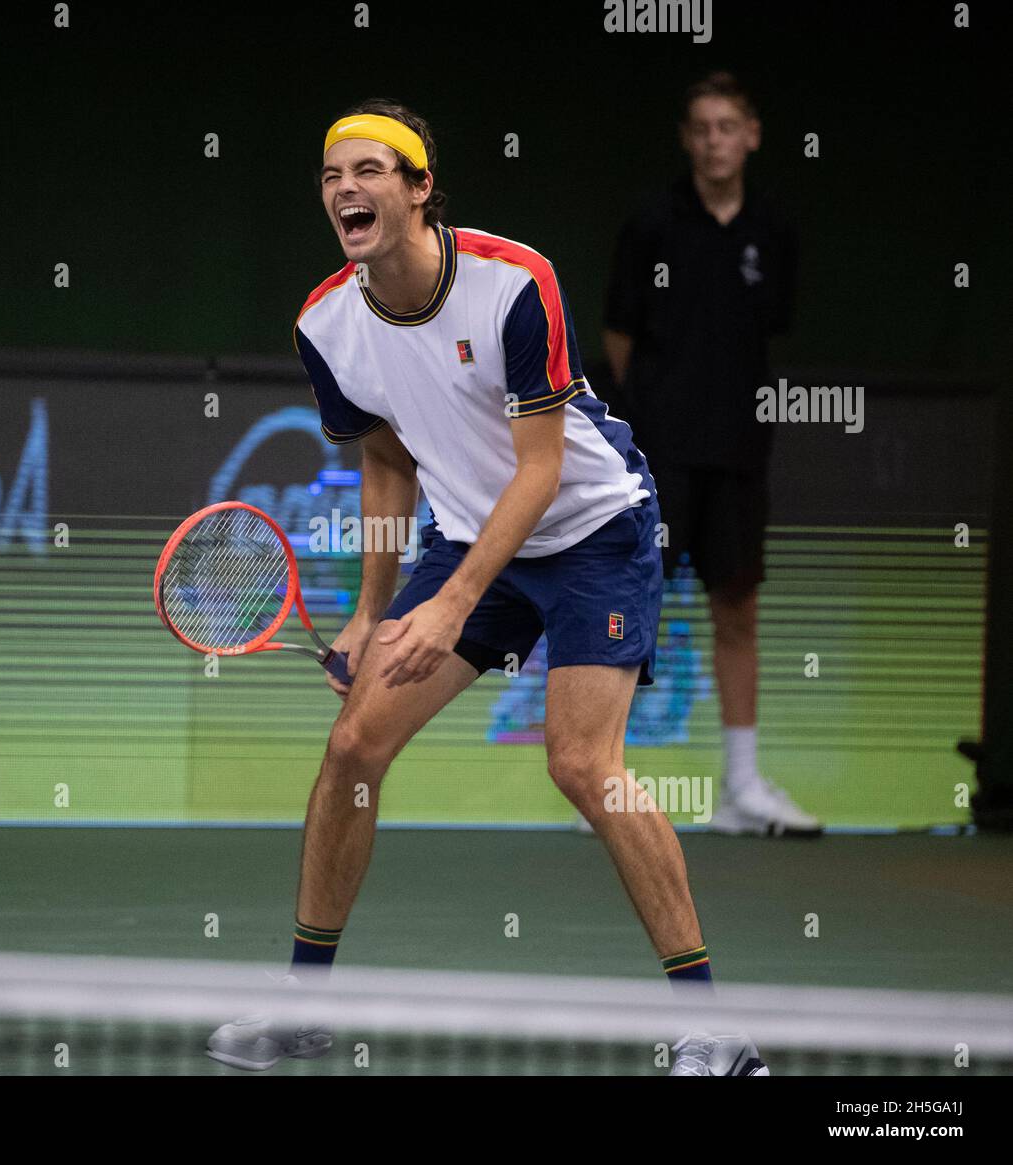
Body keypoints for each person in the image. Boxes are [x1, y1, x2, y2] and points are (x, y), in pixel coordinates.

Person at [206, 99, 765, 1076]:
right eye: (333, 176)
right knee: (352, 746)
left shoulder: (513, 282)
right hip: (470, 537)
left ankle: (715, 1026)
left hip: (594, 530)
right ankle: (299, 1009)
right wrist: (375, 609)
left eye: (370, 169)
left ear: (420, 189)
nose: (346, 188)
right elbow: (385, 458)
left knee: (580, 763)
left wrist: (452, 604)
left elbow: (540, 469)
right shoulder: (326, 323)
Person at [603, 72, 821, 837]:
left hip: (738, 452)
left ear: (752, 135)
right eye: (700, 126)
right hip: (658, 456)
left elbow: (766, 329)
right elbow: (619, 334)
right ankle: (605, 782)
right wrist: (652, 420)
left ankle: (741, 789)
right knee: (630, 610)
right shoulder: (653, 222)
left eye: (728, 125)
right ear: (687, 138)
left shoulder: (774, 229)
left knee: (738, 609)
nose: (714, 140)